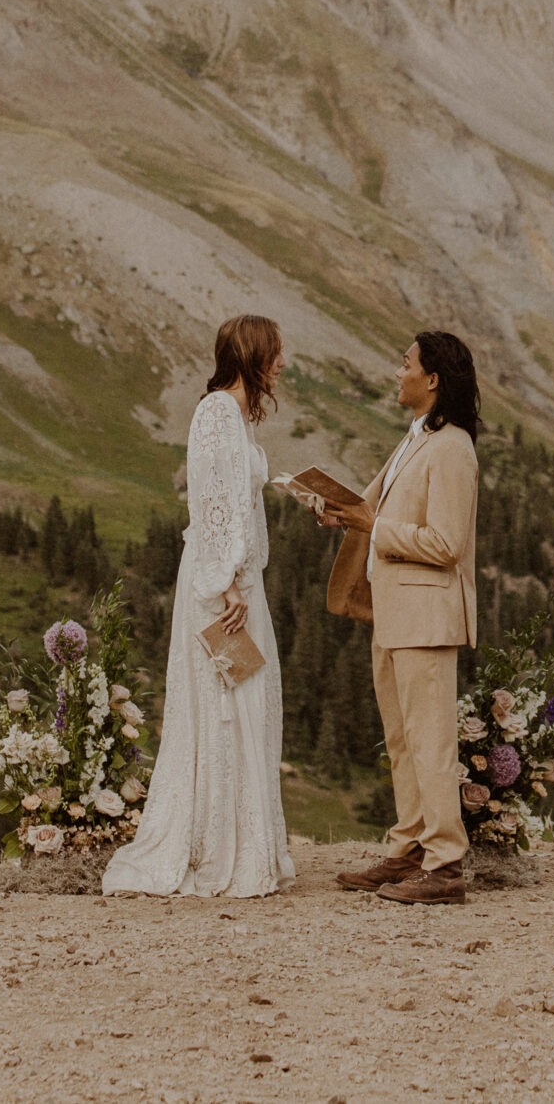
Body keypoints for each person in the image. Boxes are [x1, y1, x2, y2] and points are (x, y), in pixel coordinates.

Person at [102, 315, 296, 897]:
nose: (283, 364)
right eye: (276, 353)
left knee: (247, 705)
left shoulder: (237, 417)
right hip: (222, 586)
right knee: (223, 706)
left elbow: (238, 497)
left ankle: (246, 841)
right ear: (253, 354)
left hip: (240, 581)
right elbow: (210, 500)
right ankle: (212, 848)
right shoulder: (215, 412)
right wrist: (225, 584)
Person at [322, 330, 482, 905]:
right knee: (401, 738)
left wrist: (372, 529)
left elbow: (446, 543)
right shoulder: (416, 439)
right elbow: (373, 507)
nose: (397, 373)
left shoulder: (453, 448)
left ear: (432, 379)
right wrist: (336, 509)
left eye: (405, 363)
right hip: (395, 612)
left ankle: (445, 864)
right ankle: (408, 846)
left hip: (426, 615)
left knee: (431, 739)